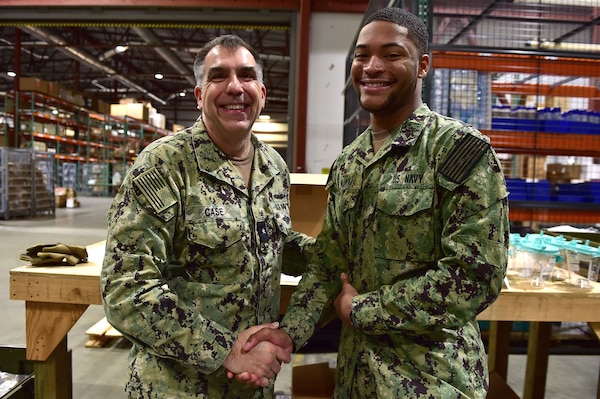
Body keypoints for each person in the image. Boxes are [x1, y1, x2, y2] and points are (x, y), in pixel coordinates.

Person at [242, 7, 509, 398]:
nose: (372, 66)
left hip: (431, 379)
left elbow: (476, 276)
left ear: (422, 66)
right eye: (362, 54)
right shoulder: (351, 162)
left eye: (392, 54)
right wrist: (290, 332)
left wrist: (363, 311)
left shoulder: (457, 151)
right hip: (356, 377)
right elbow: (330, 263)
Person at [100, 34, 313, 398]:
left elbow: (271, 241)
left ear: (261, 92)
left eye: (246, 76)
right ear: (200, 96)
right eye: (218, 76)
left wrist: (326, 256)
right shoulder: (165, 165)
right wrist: (227, 351)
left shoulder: (273, 167)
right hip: (179, 388)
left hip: (254, 386)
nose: (235, 87)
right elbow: (126, 289)